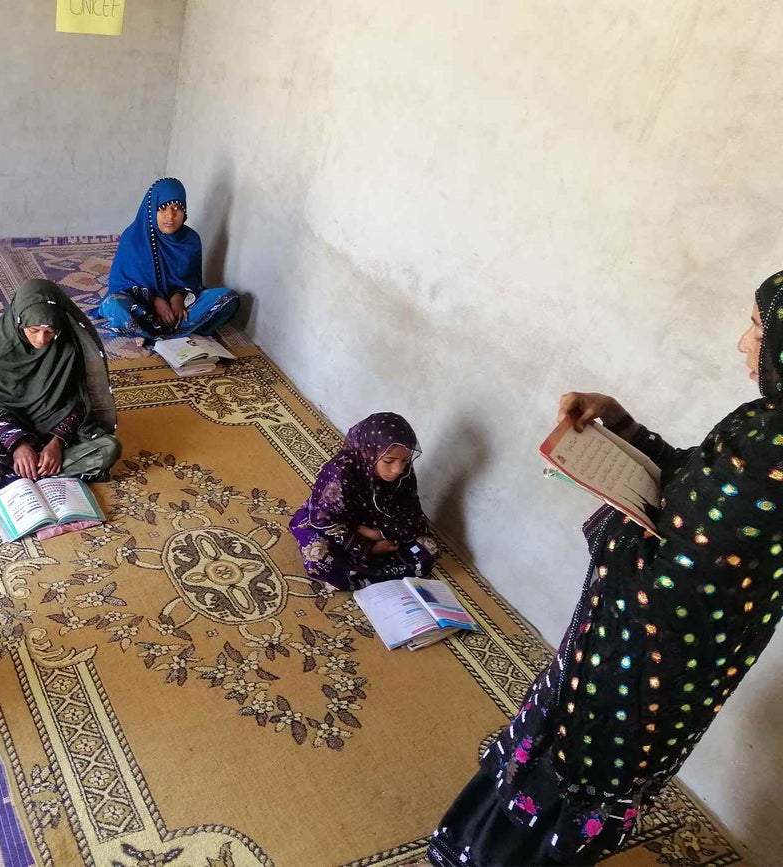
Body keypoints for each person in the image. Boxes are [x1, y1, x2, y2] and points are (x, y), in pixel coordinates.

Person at [428, 271, 783, 866]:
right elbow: (686, 480)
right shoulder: (760, 422)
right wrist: (620, 425)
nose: (744, 343)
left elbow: (672, 588)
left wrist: (613, 522)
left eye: (757, 326)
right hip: (637, 649)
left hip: (647, 660)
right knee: (571, 749)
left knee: (581, 762)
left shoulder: (772, 450)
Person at [0, 279, 121, 489]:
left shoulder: (68, 347)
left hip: (55, 428)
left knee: (109, 448)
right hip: (8, 433)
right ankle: (43, 471)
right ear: (19, 321)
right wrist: (18, 445)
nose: (42, 339)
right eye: (33, 330)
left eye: (50, 331)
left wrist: (57, 443)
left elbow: (79, 400)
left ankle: (26, 473)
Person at [289, 412, 439, 590]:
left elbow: (412, 514)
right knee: (318, 557)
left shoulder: (403, 473)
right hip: (340, 527)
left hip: (380, 525)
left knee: (428, 550)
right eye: (389, 461)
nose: (398, 469)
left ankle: (357, 576)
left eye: (404, 461)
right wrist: (367, 549)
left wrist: (379, 534)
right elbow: (326, 521)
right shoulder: (340, 472)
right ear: (367, 452)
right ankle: (361, 573)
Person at [97, 177, 239, 341]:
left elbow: (192, 281)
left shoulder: (190, 240)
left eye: (177, 208)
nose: (170, 216)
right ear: (151, 210)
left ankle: (152, 331)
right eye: (162, 208)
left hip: (179, 307)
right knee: (114, 306)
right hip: (141, 306)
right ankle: (171, 330)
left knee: (228, 298)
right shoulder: (132, 237)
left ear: (184, 211)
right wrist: (156, 300)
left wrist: (178, 297)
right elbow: (120, 285)